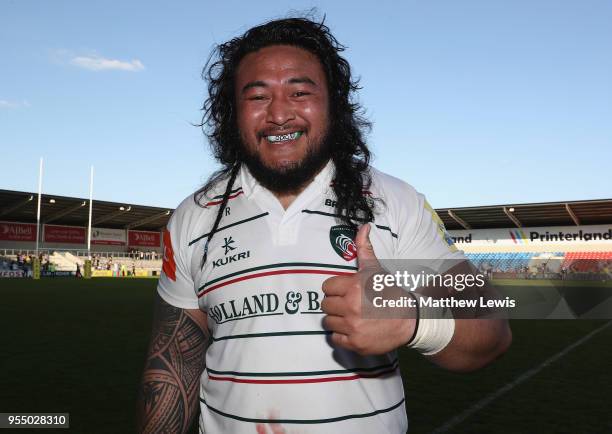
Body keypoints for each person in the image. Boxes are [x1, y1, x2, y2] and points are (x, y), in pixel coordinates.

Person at [137, 16, 511, 434]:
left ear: (333, 103)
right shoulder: (194, 215)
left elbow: (492, 333)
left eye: (300, 92)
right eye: (257, 96)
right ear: (232, 113)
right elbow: (172, 366)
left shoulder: (394, 201)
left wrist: (413, 321)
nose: (279, 114)